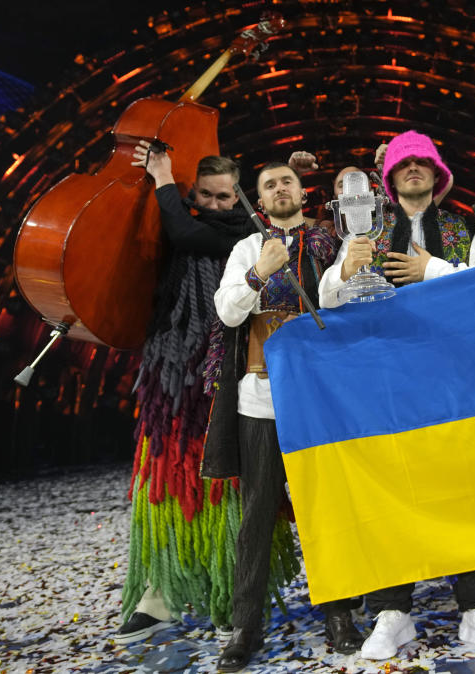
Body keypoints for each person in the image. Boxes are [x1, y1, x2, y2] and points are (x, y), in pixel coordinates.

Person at [319, 130, 475, 661]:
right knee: (391, 491)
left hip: (455, 381)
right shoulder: (364, 229)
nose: (413, 168)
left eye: (422, 162)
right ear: (388, 179)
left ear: (437, 175)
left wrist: (430, 269)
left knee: (464, 489)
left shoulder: (465, 230)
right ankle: (392, 613)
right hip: (384, 383)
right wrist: (345, 268)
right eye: (404, 162)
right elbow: (325, 299)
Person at [212, 162, 361, 672]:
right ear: (259, 199)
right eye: (269, 184)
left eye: (287, 182)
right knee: (256, 514)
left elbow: (338, 301)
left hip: (320, 395)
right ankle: (244, 626)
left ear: (303, 192)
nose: (280, 188)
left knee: (327, 508)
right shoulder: (246, 249)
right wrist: (260, 271)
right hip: (261, 397)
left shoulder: (327, 242)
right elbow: (228, 312)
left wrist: (342, 271)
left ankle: (338, 614)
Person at [115, 142, 263, 644]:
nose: (217, 205)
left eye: (226, 197)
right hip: (174, 378)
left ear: (239, 196)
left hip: (228, 375)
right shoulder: (170, 226)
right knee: (165, 477)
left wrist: (163, 180)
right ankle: (160, 592)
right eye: (206, 195)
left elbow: (187, 230)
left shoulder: (246, 235)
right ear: (193, 193)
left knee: (230, 482)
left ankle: (228, 589)